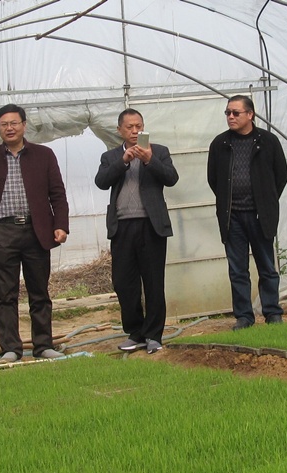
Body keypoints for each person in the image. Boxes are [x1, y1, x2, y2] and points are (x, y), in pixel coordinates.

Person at [0, 104, 69, 362]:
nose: (9, 128)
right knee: (5, 294)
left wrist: (60, 225)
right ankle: (10, 349)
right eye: (4, 124)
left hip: (37, 230)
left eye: (14, 123)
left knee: (40, 292)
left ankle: (43, 345)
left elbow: (57, 194)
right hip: (3, 231)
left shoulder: (44, 155)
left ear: (24, 125)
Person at [95, 108, 179, 354]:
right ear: (119, 130)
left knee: (153, 282)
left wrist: (149, 159)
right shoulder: (110, 156)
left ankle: (153, 335)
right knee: (124, 283)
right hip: (122, 226)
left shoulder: (158, 151)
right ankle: (135, 332)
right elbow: (101, 182)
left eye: (139, 126)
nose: (135, 131)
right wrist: (123, 161)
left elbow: (171, 178)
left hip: (151, 225)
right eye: (129, 127)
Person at [207, 95, 287, 330]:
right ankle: (244, 316)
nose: (230, 117)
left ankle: (272, 312)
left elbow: (281, 176)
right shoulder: (220, 144)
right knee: (237, 270)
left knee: (267, 267)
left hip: (260, 216)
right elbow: (213, 179)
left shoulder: (268, 141)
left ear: (250, 114)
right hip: (232, 217)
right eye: (228, 113)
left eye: (236, 113)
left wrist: (266, 201)